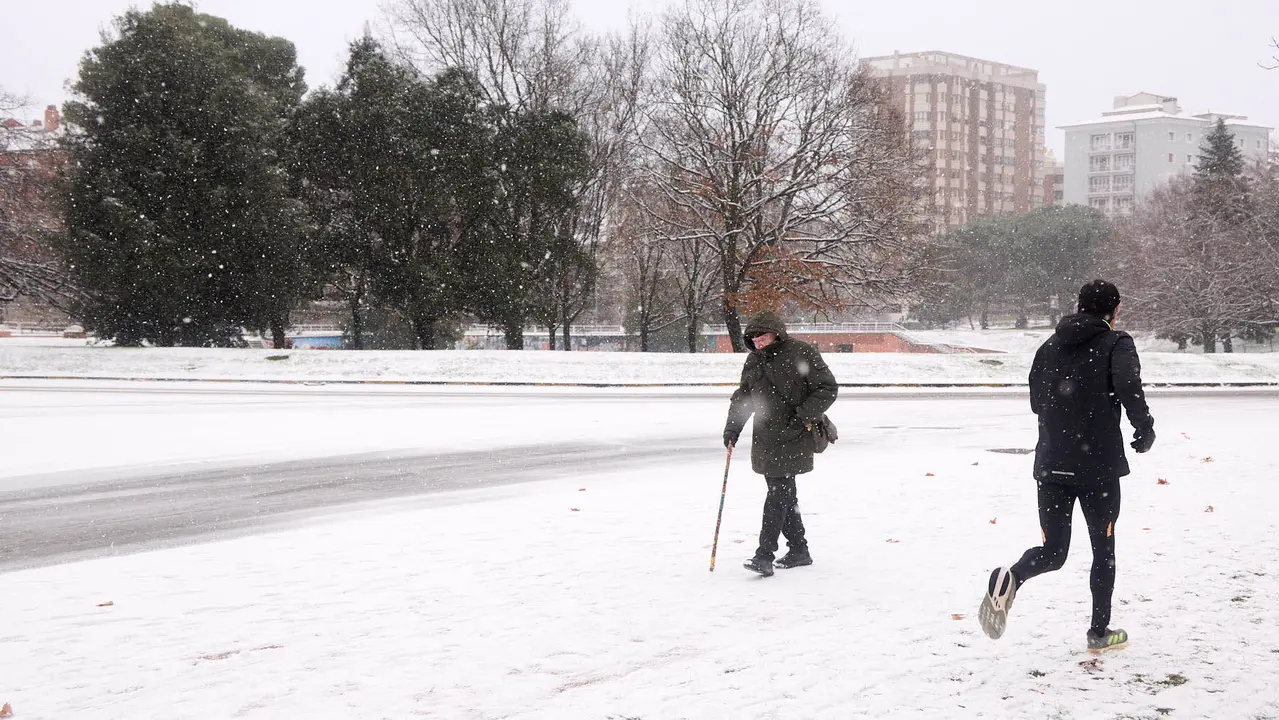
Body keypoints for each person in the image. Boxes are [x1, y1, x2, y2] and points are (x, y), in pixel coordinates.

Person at [979, 280, 1155, 653]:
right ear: (1116, 309)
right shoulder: (1117, 343)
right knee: (1102, 549)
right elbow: (1128, 383)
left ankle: (1010, 576)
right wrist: (1144, 427)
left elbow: (1036, 401)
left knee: (1054, 552)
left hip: (1052, 466)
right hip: (1098, 469)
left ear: (1079, 306)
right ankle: (1098, 632)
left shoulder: (1049, 346)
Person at [723, 310, 838, 577]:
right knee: (785, 494)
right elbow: (744, 398)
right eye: (753, 339)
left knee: (778, 493)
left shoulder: (801, 352)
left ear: (776, 332)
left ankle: (765, 554)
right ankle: (799, 549)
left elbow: (827, 388)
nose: (758, 342)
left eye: (761, 337)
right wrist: (732, 428)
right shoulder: (753, 361)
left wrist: (800, 418)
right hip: (765, 436)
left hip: (794, 434)